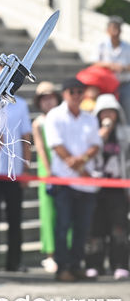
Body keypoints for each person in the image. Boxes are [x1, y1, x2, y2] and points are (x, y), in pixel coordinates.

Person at [44, 78, 102, 282]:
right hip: (64, 180)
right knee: (63, 226)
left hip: (86, 182)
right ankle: (62, 268)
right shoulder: (55, 115)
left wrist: (82, 161)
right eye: (72, 92)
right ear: (65, 93)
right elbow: (56, 145)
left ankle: (76, 265)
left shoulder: (89, 118)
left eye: (80, 91)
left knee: (82, 227)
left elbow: (96, 144)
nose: (77, 95)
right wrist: (77, 164)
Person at [0, 62, 32, 272]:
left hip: (14, 171)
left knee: (15, 218)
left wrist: (27, 169)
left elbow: (26, 137)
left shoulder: (20, 104)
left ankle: (15, 261)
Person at [85, 93, 130, 280]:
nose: (108, 116)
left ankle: (119, 264)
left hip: (118, 187)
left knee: (119, 227)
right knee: (95, 228)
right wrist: (100, 137)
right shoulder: (91, 132)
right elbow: (86, 155)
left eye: (112, 112)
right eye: (104, 112)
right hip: (96, 187)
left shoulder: (125, 133)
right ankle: (94, 264)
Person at [31, 81, 61, 274]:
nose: (48, 101)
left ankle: (65, 252)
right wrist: (49, 170)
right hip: (47, 169)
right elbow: (40, 148)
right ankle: (50, 254)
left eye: (51, 96)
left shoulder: (63, 118)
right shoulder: (38, 122)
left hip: (66, 169)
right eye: (44, 98)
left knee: (67, 214)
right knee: (48, 213)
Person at [92, 16, 130, 121]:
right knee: (105, 112)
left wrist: (123, 68)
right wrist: (111, 66)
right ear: (107, 30)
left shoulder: (127, 46)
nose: (115, 31)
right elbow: (95, 63)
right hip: (106, 86)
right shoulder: (101, 45)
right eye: (113, 28)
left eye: (118, 28)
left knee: (127, 110)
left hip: (124, 84)